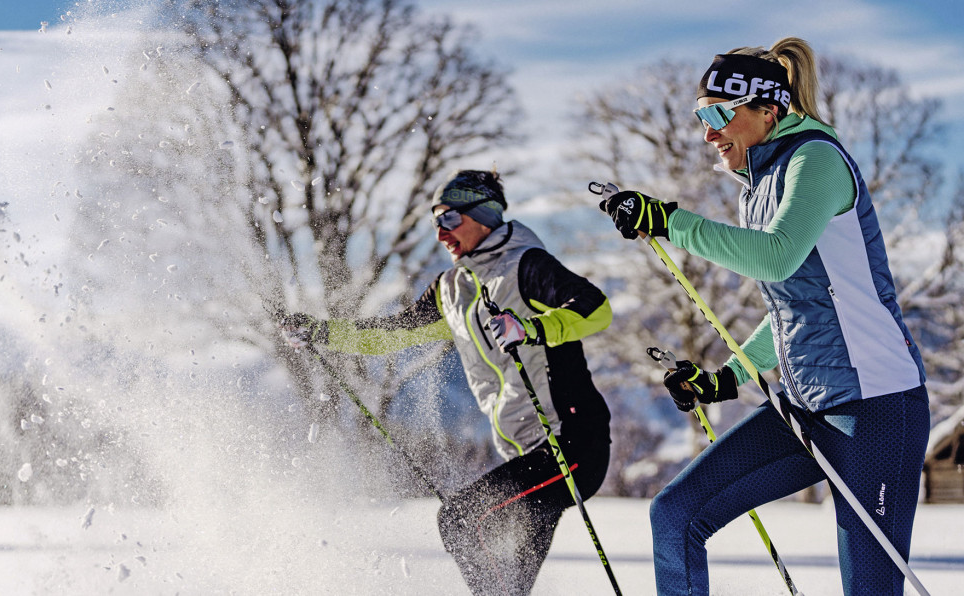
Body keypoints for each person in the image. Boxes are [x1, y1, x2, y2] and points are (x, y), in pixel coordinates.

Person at [599, 37, 928, 595]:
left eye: (718, 114)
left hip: (877, 407)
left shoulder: (816, 159)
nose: (707, 131)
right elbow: (798, 310)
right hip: (809, 407)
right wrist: (726, 377)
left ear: (767, 109)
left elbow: (775, 257)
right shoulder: (762, 182)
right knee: (676, 515)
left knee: (869, 587)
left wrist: (668, 221)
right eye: (701, 115)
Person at [282, 169, 614, 595]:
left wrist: (532, 329)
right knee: (507, 581)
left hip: (573, 443)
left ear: (485, 215)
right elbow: (395, 334)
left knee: (461, 520)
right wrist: (323, 333)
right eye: (435, 221)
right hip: (526, 449)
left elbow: (596, 309)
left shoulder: (526, 265)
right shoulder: (452, 288)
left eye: (450, 219)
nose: (441, 232)